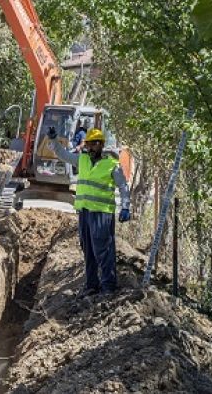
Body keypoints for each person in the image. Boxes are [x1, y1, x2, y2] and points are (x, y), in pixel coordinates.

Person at [47, 126, 131, 296]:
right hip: (85, 212)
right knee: (88, 249)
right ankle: (91, 285)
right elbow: (63, 154)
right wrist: (54, 140)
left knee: (103, 249)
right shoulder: (82, 159)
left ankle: (108, 285)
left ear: (100, 144)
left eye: (92, 144)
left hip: (102, 214)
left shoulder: (111, 165)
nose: (89, 148)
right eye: (87, 145)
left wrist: (125, 206)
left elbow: (123, 186)